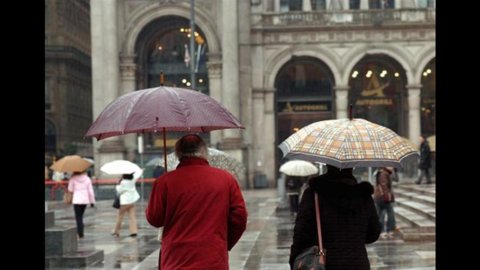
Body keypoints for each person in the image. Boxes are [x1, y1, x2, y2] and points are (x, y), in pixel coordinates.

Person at [146, 134, 248, 269]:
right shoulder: (226, 179)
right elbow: (240, 217)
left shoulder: (164, 182)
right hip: (213, 258)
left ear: (178, 154)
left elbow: (155, 219)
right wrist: (223, 242)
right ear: (204, 152)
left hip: (176, 260)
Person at [289, 165, 381, 269]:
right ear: (352, 167)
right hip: (357, 263)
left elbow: (301, 235)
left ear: (328, 165)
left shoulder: (313, 195)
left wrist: (294, 260)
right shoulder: (364, 196)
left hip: (324, 263)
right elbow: (374, 233)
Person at [111, 169, 142, 238]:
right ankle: (134, 231)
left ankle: (116, 231)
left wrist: (118, 183)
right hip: (132, 200)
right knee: (132, 216)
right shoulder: (133, 179)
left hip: (125, 202)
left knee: (120, 216)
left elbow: (119, 191)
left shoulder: (123, 182)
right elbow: (137, 174)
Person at [67, 170, 96, 239]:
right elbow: (90, 191)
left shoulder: (73, 179)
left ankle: (80, 233)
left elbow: (70, 189)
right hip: (85, 200)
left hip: (76, 200)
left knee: (78, 217)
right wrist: (92, 201)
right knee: (81, 216)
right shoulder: (87, 179)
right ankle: (80, 232)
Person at [373, 167, 397, 239]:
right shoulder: (384, 173)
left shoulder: (382, 172)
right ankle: (386, 230)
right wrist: (388, 197)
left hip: (379, 197)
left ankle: (383, 230)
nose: (392, 168)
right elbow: (384, 185)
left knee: (381, 214)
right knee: (387, 214)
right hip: (383, 197)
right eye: (391, 166)